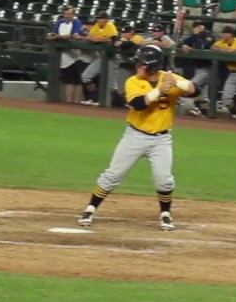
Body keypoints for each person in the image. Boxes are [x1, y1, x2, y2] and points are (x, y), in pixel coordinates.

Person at [78, 46, 201, 232]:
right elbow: (138, 105)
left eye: (141, 63)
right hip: (135, 136)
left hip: (161, 139)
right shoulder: (132, 82)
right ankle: (90, 208)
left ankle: (165, 214)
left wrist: (177, 82)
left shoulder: (169, 79)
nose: (137, 66)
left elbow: (195, 91)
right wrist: (160, 90)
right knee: (112, 175)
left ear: (151, 67)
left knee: (164, 179)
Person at [49, 6, 87, 104]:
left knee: (77, 80)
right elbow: (54, 32)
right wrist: (53, 35)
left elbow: (73, 35)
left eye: (69, 13)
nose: (67, 15)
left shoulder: (76, 22)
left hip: (75, 55)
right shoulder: (60, 22)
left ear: (73, 14)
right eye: (66, 13)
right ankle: (69, 102)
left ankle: (77, 101)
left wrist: (58, 37)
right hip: (63, 55)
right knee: (68, 80)